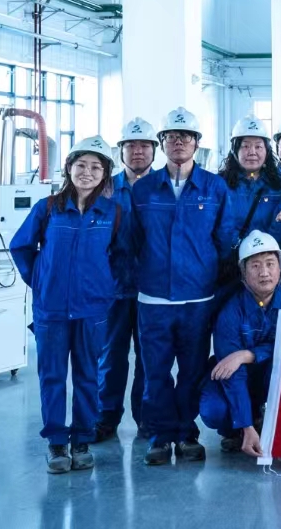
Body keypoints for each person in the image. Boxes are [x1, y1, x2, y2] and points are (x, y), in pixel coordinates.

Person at [123, 107, 235, 466]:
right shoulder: (143, 189)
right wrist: (145, 273)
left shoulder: (215, 187)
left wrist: (203, 271)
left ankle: (187, 433)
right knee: (154, 372)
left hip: (197, 298)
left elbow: (225, 238)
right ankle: (159, 437)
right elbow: (131, 240)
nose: (178, 142)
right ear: (162, 143)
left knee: (191, 370)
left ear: (196, 143)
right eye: (171, 136)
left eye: (185, 136)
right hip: (153, 298)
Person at [10, 136, 121, 474]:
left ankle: (82, 439)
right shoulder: (48, 209)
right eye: (81, 165)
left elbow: (122, 257)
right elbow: (21, 247)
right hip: (52, 310)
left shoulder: (113, 213)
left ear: (105, 174)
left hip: (92, 310)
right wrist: (42, 282)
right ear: (69, 167)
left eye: (96, 167)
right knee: (52, 377)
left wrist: (104, 288)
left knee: (88, 376)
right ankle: (57, 442)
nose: (88, 172)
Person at [199, 230, 281, 457]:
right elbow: (232, 373)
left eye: (270, 263)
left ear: (280, 267)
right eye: (255, 266)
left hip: (269, 377)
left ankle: (276, 423)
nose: (264, 272)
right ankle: (238, 429)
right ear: (243, 273)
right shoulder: (230, 312)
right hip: (240, 380)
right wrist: (245, 426)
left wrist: (247, 355)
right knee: (213, 411)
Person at [96, 117, 156, 443]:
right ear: (120, 151)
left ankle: (146, 418)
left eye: (144, 145)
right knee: (111, 356)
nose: (138, 151)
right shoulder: (105, 190)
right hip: (114, 289)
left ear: (154, 150)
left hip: (152, 290)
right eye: (131, 145)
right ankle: (105, 417)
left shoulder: (163, 188)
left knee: (150, 358)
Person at [219, 116, 281, 249]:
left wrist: (264, 251)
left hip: (270, 256)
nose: (252, 152)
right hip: (232, 256)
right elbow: (218, 227)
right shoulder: (220, 185)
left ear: (267, 151)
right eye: (245, 146)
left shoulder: (280, 185)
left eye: (258, 146)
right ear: (235, 150)